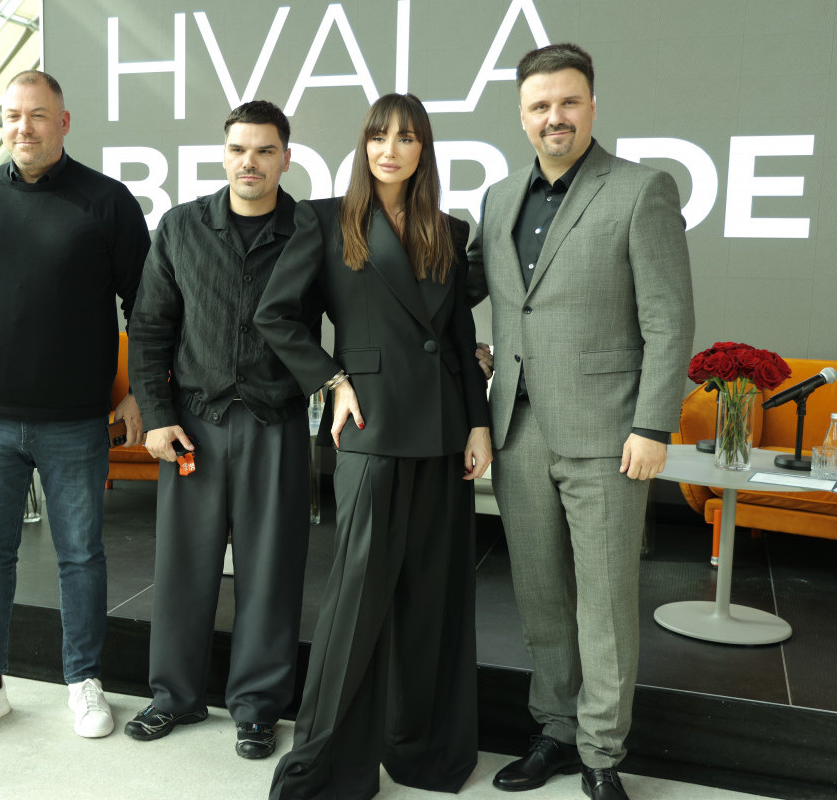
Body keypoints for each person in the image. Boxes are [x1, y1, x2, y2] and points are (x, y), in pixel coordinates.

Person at [465, 43, 694, 800]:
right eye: (540, 106)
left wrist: (653, 426)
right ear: (522, 115)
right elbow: (473, 291)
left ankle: (601, 753)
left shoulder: (640, 189)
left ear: (592, 105)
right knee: (541, 598)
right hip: (519, 428)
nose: (554, 117)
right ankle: (556, 730)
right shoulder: (501, 197)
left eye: (568, 102)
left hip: (610, 434)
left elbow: (668, 320)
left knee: (604, 605)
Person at [255, 92, 492, 799]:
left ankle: (425, 752)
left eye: (407, 137)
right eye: (379, 136)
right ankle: (326, 765)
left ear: (424, 149)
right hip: (373, 429)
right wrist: (332, 381)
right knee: (356, 604)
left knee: (434, 602)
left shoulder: (449, 229)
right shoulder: (325, 218)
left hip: (444, 433)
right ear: (364, 145)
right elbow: (277, 315)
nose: (391, 149)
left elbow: (457, 341)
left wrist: (478, 423)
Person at [0, 69, 150, 745]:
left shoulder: (106, 202)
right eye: (13, 115)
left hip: (77, 421)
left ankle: (84, 680)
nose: (24, 127)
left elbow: (149, 305)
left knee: (81, 555)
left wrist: (141, 389)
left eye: (38, 115)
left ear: (64, 122)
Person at [123, 100, 311, 760]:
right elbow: (149, 327)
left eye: (263, 150)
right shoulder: (180, 227)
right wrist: (156, 415)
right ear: (224, 154)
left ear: (286, 158)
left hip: (277, 423)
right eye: (238, 149)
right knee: (183, 567)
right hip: (193, 426)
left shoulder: (309, 231)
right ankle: (174, 695)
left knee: (271, 571)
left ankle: (258, 708)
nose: (248, 162)